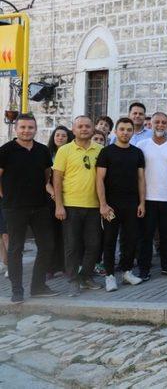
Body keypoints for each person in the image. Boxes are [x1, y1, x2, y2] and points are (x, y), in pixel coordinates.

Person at [0, 115, 59, 303]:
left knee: (47, 245)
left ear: (36, 129)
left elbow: (46, 176)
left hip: (40, 206)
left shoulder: (42, 150)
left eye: (30, 127)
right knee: (16, 248)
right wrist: (5, 196)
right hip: (14, 207)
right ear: (16, 129)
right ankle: (17, 290)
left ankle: (38, 286)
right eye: (23, 127)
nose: (27, 130)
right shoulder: (5, 151)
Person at [53, 116, 103, 296]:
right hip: (71, 206)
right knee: (72, 246)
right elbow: (56, 179)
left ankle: (86, 276)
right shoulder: (64, 151)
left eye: (87, 126)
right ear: (73, 130)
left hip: (94, 207)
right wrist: (59, 205)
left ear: (93, 129)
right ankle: (73, 280)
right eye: (80, 126)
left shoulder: (100, 150)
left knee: (94, 245)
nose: (84, 129)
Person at [96, 117, 146, 292]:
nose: (125, 132)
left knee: (130, 239)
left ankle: (127, 272)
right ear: (116, 131)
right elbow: (99, 179)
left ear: (133, 132)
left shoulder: (137, 153)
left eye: (129, 130)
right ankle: (110, 276)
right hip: (111, 205)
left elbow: (141, 179)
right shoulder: (106, 152)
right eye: (122, 129)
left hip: (132, 204)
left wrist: (142, 203)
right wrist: (103, 204)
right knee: (109, 240)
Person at [137, 112, 167, 279]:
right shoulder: (142, 145)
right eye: (157, 122)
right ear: (150, 124)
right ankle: (144, 269)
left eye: (164, 122)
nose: (160, 125)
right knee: (146, 236)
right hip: (148, 199)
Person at [46, 125, 75, 277]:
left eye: (63, 136)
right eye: (57, 135)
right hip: (51, 199)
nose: (60, 138)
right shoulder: (47, 154)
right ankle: (50, 268)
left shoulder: (71, 153)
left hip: (68, 198)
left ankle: (65, 266)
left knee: (66, 235)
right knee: (51, 234)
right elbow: (44, 180)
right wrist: (54, 195)